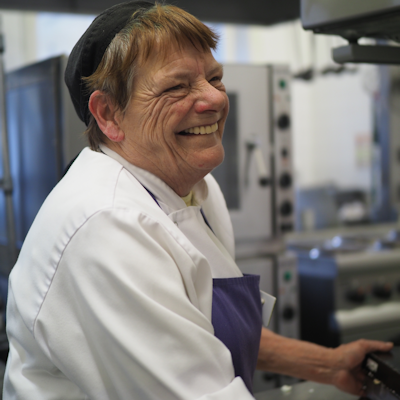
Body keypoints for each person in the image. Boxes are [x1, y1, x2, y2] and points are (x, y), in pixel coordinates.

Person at [3, 1, 392, 399]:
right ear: (109, 115)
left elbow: (197, 327)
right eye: (177, 86)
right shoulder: (106, 226)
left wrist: (327, 364)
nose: (215, 99)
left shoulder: (194, 192)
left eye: (215, 77)